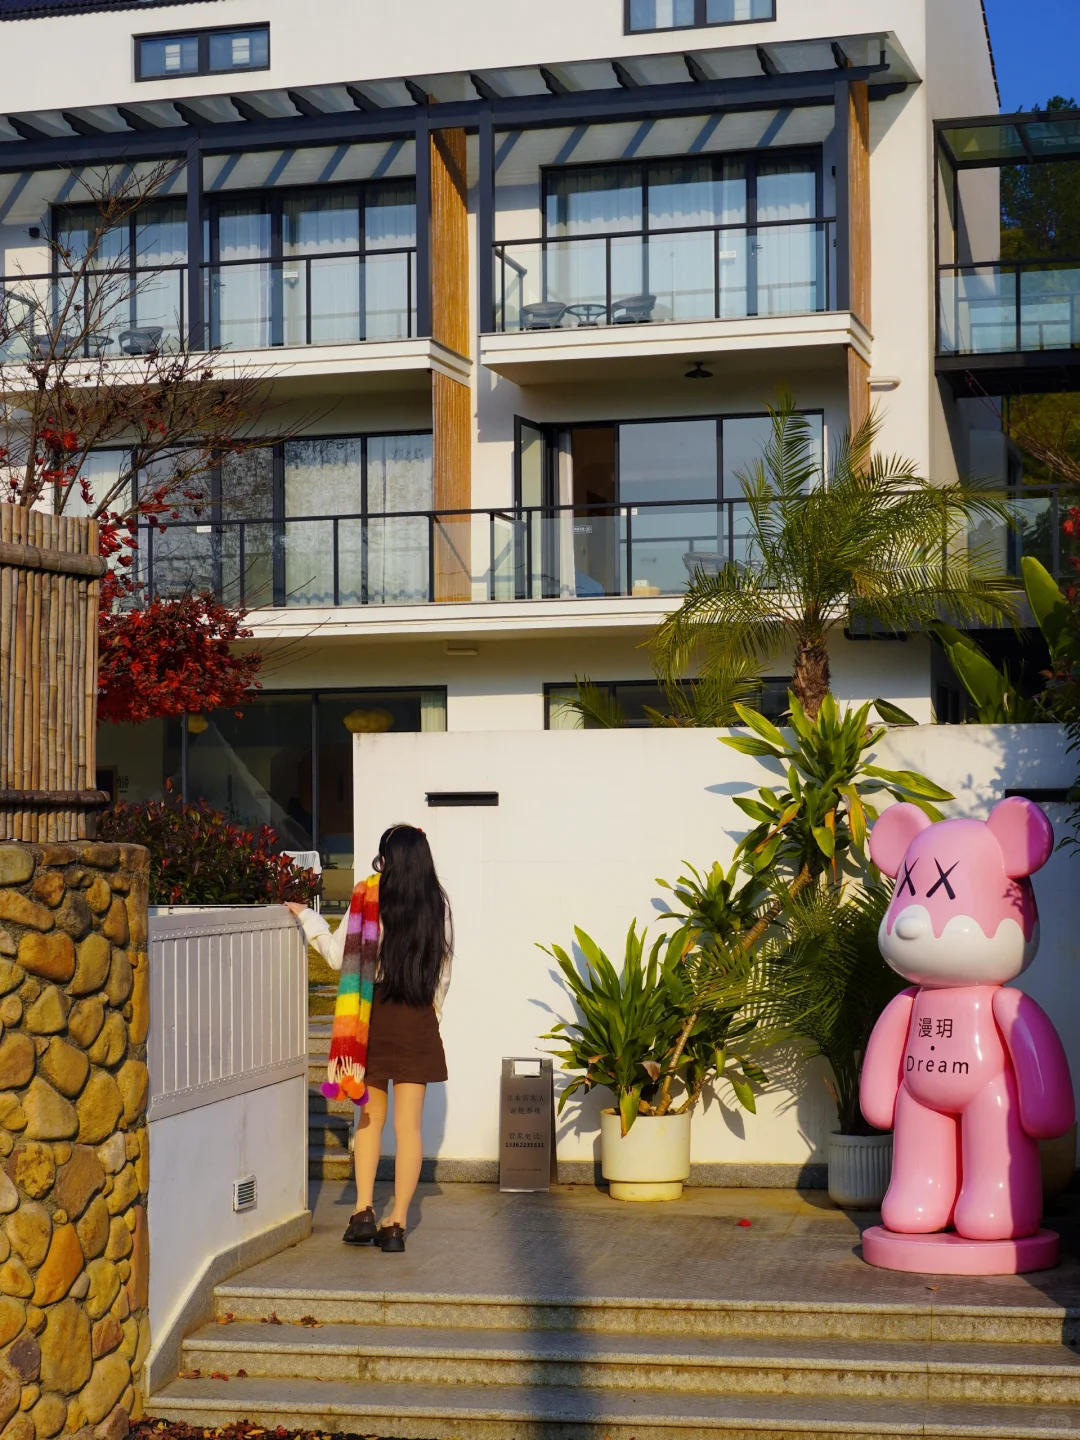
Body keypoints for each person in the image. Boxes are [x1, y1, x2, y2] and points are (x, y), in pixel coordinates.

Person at [288, 824, 451, 1253]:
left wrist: (307, 917)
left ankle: (363, 1211)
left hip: (371, 1016)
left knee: (369, 1119)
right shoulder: (437, 904)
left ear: (387, 858)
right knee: (409, 1127)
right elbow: (443, 971)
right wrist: (431, 1014)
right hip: (417, 1017)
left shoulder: (368, 896)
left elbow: (338, 956)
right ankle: (397, 1223)